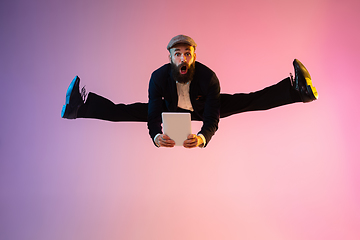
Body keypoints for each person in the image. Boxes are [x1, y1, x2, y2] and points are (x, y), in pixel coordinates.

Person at [61, 35, 318, 148]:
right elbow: (152, 111)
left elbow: (212, 118)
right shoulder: (158, 77)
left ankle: (298, 92)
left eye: (187, 53)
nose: (182, 58)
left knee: (247, 101)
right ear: (170, 57)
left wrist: (203, 137)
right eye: (177, 54)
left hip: (202, 105)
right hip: (169, 109)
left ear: (194, 56)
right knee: (126, 111)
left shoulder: (208, 77)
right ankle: (78, 108)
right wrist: (155, 136)